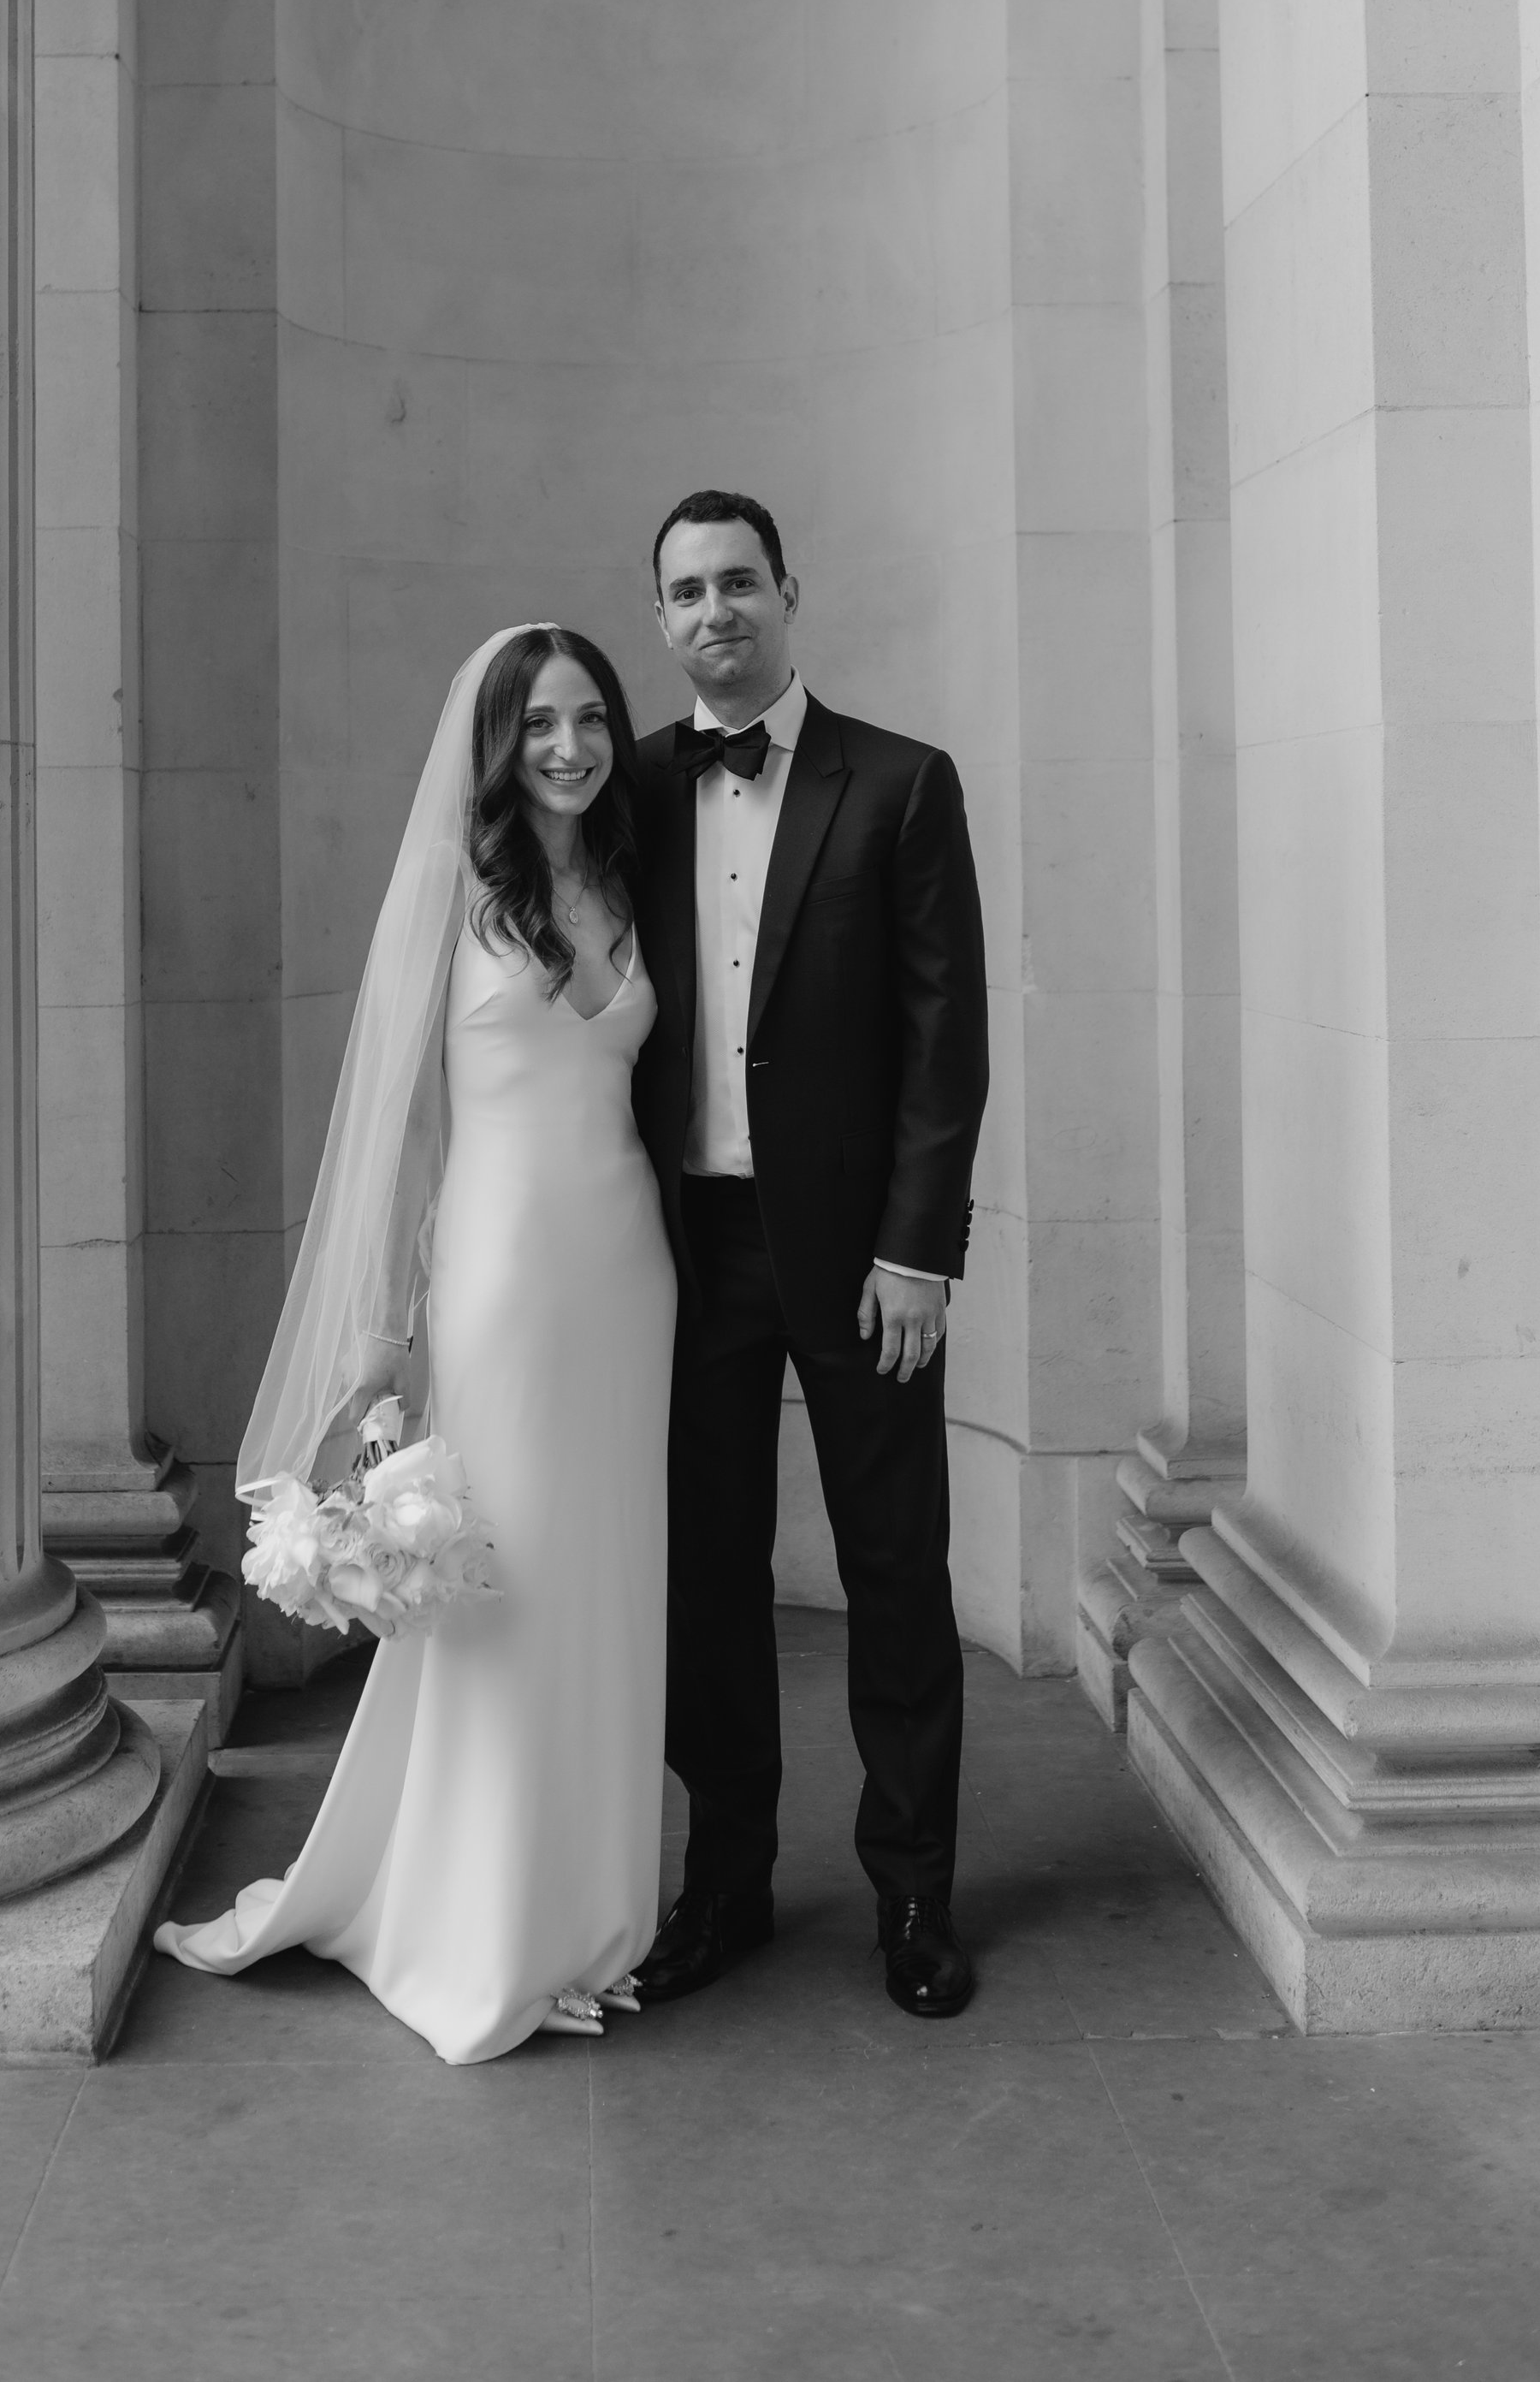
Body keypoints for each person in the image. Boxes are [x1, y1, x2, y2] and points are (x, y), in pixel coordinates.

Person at [152, 626, 677, 2065]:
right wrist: (384, 1343)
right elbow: (401, 1137)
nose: (568, 746)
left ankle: (593, 1912)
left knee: (608, 1582)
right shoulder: (457, 892)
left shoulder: (629, 879)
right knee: (503, 1585)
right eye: (539, 726)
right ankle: (486, 1926)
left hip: (632, 1277)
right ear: (495, 744)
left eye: (589, 719)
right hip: (501, 1281)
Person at [628, 492, 989, 2020]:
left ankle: (913, 1891)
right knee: (708, 1579)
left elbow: (943, 1037)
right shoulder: (629, 786)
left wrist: (921, 1250)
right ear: (660, 619)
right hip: (684, 1253)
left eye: (739, 582)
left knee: (895, 1572)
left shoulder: (902, 783)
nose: (717, 610)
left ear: (790, 591)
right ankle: (729, 1881)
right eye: (686, 590)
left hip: (858, 1263)